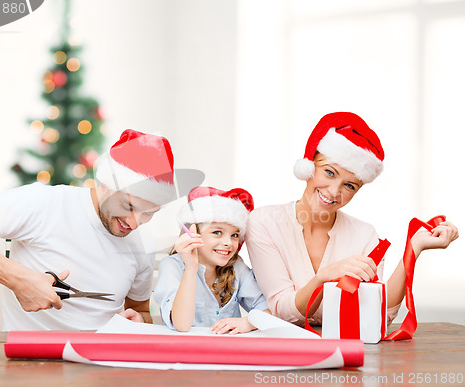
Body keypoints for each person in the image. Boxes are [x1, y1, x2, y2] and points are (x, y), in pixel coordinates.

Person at [246, 112, 459, 327]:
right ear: (310, 166)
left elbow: (378, 315)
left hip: (349, 353)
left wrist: (414, 247)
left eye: (349, 185)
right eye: (329, 173)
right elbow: (283, 312)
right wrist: (324, 277)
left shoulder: (364, 236)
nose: (334, 191)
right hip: (285, 353)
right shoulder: (264, 223)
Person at [0, 129, 182, 331]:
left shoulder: (143, 242)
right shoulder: (43, 203)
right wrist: (18, 279)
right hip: (29, 364)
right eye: (128, 206)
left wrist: (139, 320)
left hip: (100, 365)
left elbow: (141, 310)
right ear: (105, 184)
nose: (134, 224)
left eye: (148, 213)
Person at [154, 186, 269, 334]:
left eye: (234, 235)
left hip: (227, 352)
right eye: (217, 232)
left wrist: (248, 322)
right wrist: (191, 268)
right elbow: (182, 325)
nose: (228, 242)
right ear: (193, 232)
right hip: (184, 353)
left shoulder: (236, 266)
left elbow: (268, 310)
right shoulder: (172, 266)